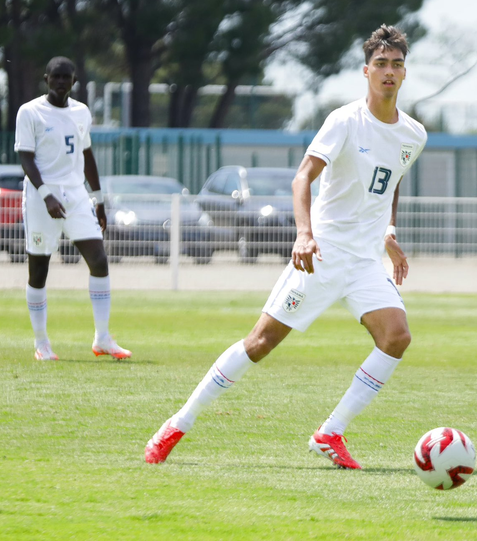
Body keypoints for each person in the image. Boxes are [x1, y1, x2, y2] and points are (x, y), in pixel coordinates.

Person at [145, 25, 427, 469]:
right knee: (260, 343)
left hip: (365, 262)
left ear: (405, 72)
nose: (388, 72)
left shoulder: (414, 134)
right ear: (366, 71)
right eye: (380, 64)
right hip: (323, 255)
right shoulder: (344, 121)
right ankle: (177, 423)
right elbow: (302, 178)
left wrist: (388, 231)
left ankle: (331, 432)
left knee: (397, 337)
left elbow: (392, 181)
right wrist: (304, 234)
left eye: (396, 64)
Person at [14, 56, 131, 361]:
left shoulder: (81, 112)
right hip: (42, 196)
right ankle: (41, 343)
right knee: (39, 269)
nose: (61, 82)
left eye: (66, 77)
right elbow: (26, 158)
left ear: (74, 82)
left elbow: (86, 154)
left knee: (99, 261)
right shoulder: (30, 112)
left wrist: (99, 199)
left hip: (76, 195)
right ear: (46, 79)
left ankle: (102, 338)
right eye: (56, 76)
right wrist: (46, 195)